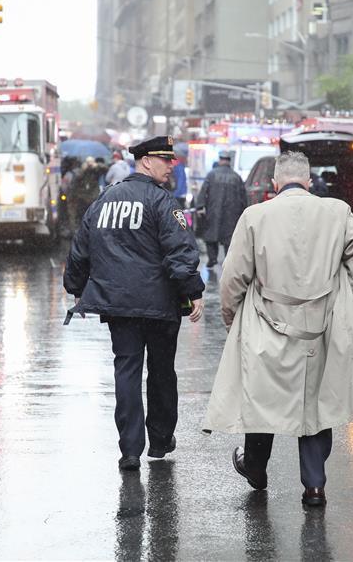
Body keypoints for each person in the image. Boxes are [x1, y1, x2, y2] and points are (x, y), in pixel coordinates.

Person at [202, 151, 353, 507]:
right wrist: (345, 299)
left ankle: (256, 469)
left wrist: (232, 316)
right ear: (309, 182)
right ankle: (314, 486)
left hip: (266, 320)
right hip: (320, 324)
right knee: (314, 406)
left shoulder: (255, 216)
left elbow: (233, 276)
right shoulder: (338, 212)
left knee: (262, 399)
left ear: (275, 184)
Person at [64, 135, 206, 472]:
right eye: (165, 160)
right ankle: (159, 439)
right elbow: (180, 252)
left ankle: (129, 450)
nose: (172, 165)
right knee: (160, 373)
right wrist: (193, 290)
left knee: (125, 371)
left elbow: (80, 249)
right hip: (159, 306)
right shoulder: (162, 202)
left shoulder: (104, 201)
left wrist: (75, 287)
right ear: (145, 161)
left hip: (120, 307)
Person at [195, 150, 247, 268]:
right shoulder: (236, 177)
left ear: (220, 160)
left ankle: (212, 259)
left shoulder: (211, 175)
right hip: (232, 213)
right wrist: (244, 211)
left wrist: (200, 206)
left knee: (211, 235)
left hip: (214, 211)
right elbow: (243, 197)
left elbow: (203, 192)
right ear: (229, 161)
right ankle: (228, 261)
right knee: (229, 238)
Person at [68, 156, 108, 232]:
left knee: (93, 216)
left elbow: (105, 169)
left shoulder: (96, 171)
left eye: (91, 162)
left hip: (93, 197)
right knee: (82, 216)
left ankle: (92, 230)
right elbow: (76, 180)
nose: (89, 165)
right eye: (88, 162)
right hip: (82, 198)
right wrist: (84, 169)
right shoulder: (81, 172)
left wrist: (97, 165)